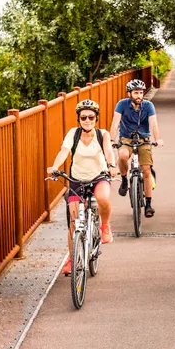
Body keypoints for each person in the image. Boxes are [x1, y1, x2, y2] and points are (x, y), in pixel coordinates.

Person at [46, 99, 117, 276]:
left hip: (98, 176)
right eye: (83, 117)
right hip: (77, 179)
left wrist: (112, 165)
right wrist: (55, 167)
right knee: (73, 223)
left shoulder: (103, 134)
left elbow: (108, 152)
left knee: (103, 199)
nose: (87, 120)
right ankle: (71, 259)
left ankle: (105, 226)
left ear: (96, 118)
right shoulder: (73, 134)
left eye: (91, 117)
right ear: (78, 119)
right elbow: (64, 150)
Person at [109, 79, 161, 217]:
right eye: (136, 93)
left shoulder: (148, 105)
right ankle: (125, 179)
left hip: (144, 139)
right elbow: (115, 123)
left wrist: (158, 139)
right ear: (129, 94)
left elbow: (154, 124)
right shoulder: (122, 104)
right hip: (126, 138)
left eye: (141, 93)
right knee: (123, 156)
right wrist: (111, 139)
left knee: (146, 170)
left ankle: (148, 204)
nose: (139, 96)